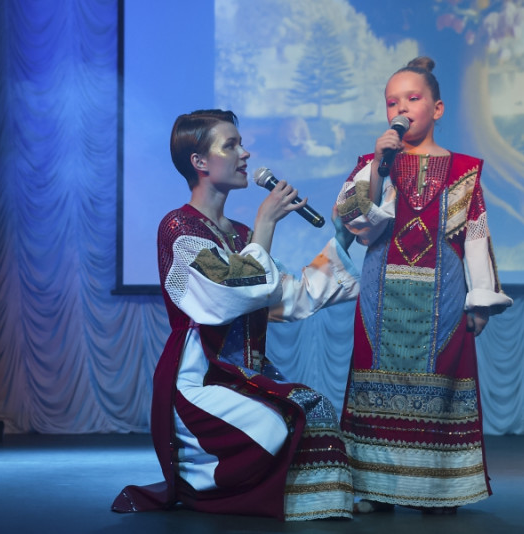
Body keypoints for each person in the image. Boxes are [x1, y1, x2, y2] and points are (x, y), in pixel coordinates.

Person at [112, 109, 359, 521]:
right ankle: (203, 484)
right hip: (200, 378)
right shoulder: (179, 228)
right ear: (199, 162)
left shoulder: (242, 235)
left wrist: (342, 237)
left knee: (314, 409)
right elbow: (227, 296)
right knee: (272, 426)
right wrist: (266, 222)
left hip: (244, 375)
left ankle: (302, 498)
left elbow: (288, 297)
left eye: (241, 144)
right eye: (231, 145)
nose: (245, 154)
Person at [335, 57, 513, 515]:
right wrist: (381, 167)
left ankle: (437, 490)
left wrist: (480, 300)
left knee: (442, 388)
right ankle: (376, 487)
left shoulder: (463, 169)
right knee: (374, 385)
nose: (401, 108)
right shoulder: (373, 165)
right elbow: (355, 222)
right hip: (381, 297)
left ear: (437, 108)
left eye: (412, 98)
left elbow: (476, 236)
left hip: (444, 297)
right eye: (391, 101)